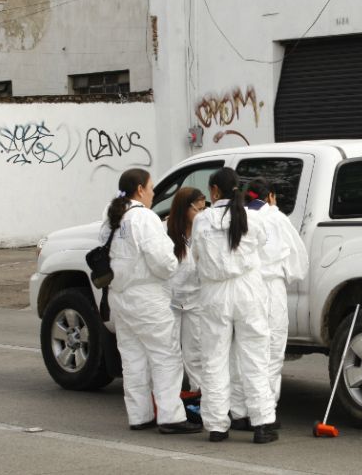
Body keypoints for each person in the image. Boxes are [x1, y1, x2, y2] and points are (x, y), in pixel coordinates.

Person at [99, 168, 202, 435]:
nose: (154, 193)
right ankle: (170, 417)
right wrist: (171, 269)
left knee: (133, 359)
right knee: (166, 357)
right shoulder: (144, 218)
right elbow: (164, 261)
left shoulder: (111, 216)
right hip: (147, 297)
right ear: (140, 189)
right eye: (152, 187)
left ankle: (139, 415)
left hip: (119, 296)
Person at [190, 167, 278, 443]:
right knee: (255, 358)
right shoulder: (252, 218)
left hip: (214, 293)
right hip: (248, 290)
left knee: (214, 359)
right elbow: (263, 245)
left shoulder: (202, 220)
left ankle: (217, 426)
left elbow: (195, 256)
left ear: (215, 191)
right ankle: (262, 423)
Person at [229, 178, 308, 431]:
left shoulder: (237, 217)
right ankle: (264, 412)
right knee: (271, 351)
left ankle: (238, 411)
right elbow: (298, 261)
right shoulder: (276, 218)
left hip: (243, 288)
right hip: (271, 289)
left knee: (240, 351)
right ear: (271, 196)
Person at [164, 187, 206, 400]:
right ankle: (168, 397)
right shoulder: (165, 230)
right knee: (169, 351)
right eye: (197, 209)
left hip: (195, 299)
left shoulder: (203, 230)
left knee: (195, 351)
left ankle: (198, 396)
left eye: (204, 209)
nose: (201, 214)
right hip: (169, 300)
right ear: (184, 208)